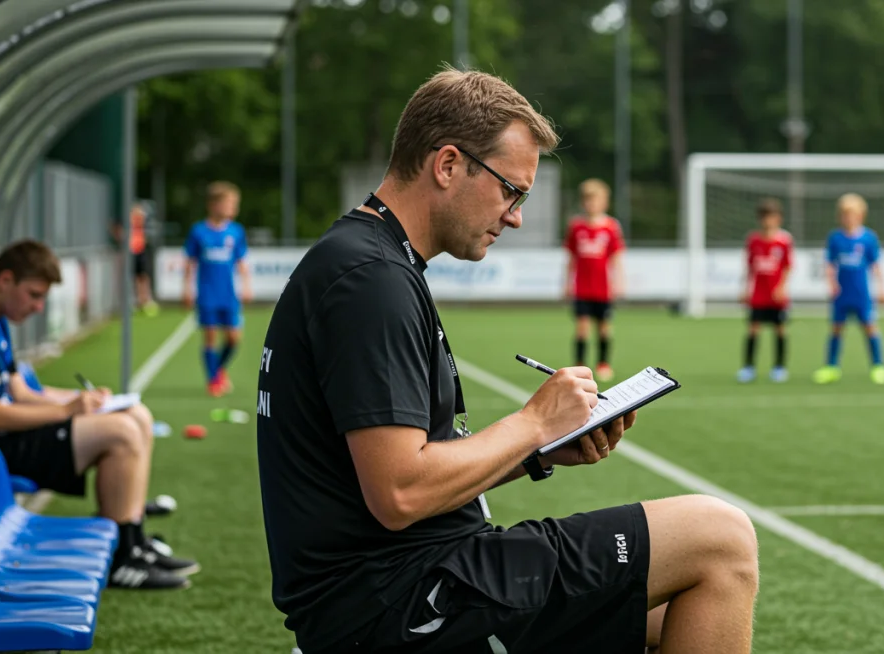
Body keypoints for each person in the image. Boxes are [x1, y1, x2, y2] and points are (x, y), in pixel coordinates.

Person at [257, 67, 759, 654]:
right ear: (447, 165)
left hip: (406, 586)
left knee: (682, 608)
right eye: (510, 190)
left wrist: (539, 453)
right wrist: (531, 423)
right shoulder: (370, 279)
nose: (516, 214)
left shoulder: (369, 260)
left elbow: (402, 476)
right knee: (718, 537)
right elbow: (398, 494)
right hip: (399, 602)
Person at [0, 240, 198, 590]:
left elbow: (20, 392)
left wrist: (82, 399)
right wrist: (66, 411)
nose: (38, 307)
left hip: (8, 436)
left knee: (137, 415)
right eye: (34, 295)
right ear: (5, 280)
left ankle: (133, 541)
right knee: (121, 433)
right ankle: (121, 562)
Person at [812, 193, 884, 385]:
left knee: (870, 328)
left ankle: (878, 366)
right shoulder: (835, 238)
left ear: (861, 215)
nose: (849, 218)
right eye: (845, 214)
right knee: (836, 329)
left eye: (853, 214)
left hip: (861, 293)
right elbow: (830, 263)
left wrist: (881, 288)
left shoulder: (868, 238)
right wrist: (831, 283)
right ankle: (831, 367)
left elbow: (875, 265)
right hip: (841, 293)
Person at [183, 182, 251, 397]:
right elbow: (190, 262)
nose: (233, 208)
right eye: (229, 203)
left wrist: (247, 285)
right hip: (207, 294)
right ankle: (213, 380)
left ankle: (218, 369)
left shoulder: (236, 231)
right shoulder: (199, 231)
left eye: (234, 204)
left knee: (233, 338)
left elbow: (241, 261)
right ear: (213, 205)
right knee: (210, 336)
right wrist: (186, 289)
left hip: (228, 295)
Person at [563, 178, 625, 382]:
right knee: (581, 328)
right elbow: (571, 258)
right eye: (588, 200)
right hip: (582, 288)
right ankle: (580, 366)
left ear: (604, 203)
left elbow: (616, 258)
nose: (592, 205)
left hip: (603, 288)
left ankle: (603, 364)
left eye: (596, 200)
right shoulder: (576, 226)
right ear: (583, 203)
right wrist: (567, 282)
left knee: (604, 328)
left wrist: (619, 282)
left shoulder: (611, 227)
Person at [737, 198, 793, 384]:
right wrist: (745, 289)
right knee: (753, 330)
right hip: (758, 295)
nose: (768, 221)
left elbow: (787, 266)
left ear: (778, 219)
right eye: (764, 217)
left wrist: (782, 287)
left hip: (776, 296)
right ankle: (748, 367)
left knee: (780, 330)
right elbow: (750, 267)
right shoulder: (753, 240)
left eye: (771, 217)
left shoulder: (784, 241)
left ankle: (779, 367)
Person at [111, 203, 157, 316]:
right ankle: (134, 301)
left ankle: (145, 301)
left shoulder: (142, 218)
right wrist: (120, 238)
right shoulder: (126, 218)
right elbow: (115, 227)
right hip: (130, 251)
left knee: (143, 276)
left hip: (140, 250)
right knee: (132, 278)